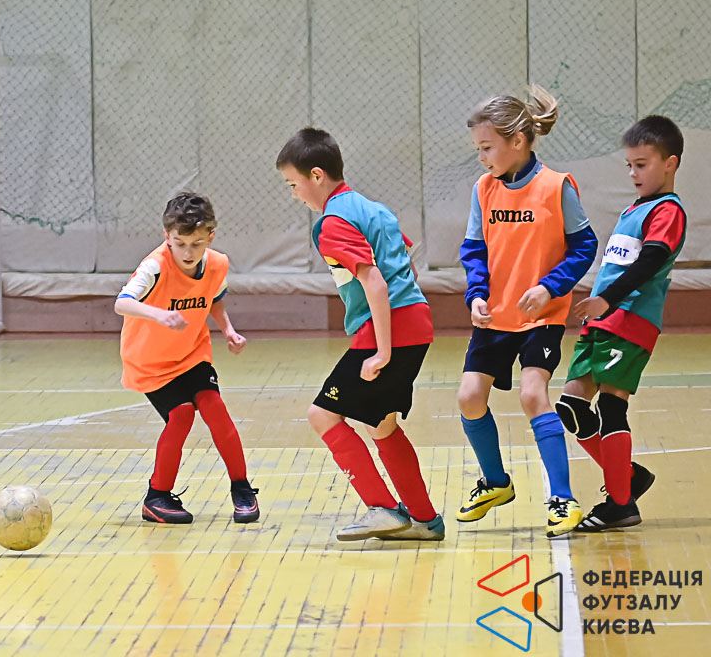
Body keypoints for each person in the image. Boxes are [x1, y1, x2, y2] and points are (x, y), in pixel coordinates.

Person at [277, 127, 444, 541]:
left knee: (322, 414)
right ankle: (425, 520)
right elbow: (407, 265)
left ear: (317, 176)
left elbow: (376, 283)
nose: (294, 194)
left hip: (386, 331)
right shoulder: (373, 209)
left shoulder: (333, 222)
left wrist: (382, 351)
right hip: (416, 322)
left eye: (293, 184)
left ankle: (382, 508)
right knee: (380, 424)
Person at [456, 86, 598, 538]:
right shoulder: (484, 189)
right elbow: (474, 249)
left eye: (486, 147)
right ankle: (496, 483)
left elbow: (584, 246)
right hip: (495, 315)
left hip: (542, 315)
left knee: (533, 395)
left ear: (517, 140)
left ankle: (563, 498)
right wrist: (476, 294)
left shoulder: (556, 186)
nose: (481, 157)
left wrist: (549, 286)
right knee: (469, 397)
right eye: (478, 149)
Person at [556, 115, 685, 532]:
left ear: (670, 163)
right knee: (572, 406)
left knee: (611, 406)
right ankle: (627, 478)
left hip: (630, 321)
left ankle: (620, 503)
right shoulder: (634, 208)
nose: (633, 173)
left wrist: (606, 299)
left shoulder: (668, 210)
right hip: (604, 321)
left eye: (642, 164)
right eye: (629, 165)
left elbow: (649, 263)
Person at [115, 192, 259, 525]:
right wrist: (159, 315)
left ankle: (242, 489)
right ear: (167, 236)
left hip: (192, 351)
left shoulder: (217, 264)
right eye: (179, 244)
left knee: (214, 408)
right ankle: (157, 497)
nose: (188, 252)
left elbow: (213, 297)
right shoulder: (155, 266)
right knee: (180, 415)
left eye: (196, 244)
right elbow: (122, 303)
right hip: (149, 360)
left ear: (211, 237)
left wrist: (228, 330)